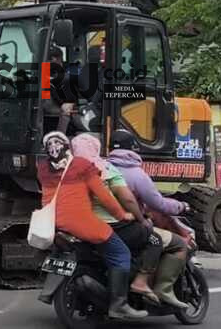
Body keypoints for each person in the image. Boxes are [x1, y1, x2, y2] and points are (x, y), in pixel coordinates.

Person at [37, 131, 147, 319]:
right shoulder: (83, 166)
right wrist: (122, 215)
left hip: (53, 221)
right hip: (80, 222)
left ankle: (57, 289)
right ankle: (119, 304)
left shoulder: (43, 168)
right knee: (121, 253)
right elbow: (105, 197)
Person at [71, 133, 163, 305]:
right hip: (108, 226)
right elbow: (128, 200)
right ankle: (133, 288)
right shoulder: (104, 169)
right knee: (153, 240)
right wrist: (141, 219)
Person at [108, 129, 192, 309]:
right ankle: (162, 288)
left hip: (103, 225)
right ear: (133, 148)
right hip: (128, 226)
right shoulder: (136, 174)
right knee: (178, 244)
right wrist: (181, 206)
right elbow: (158, 204)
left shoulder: (102, 168)